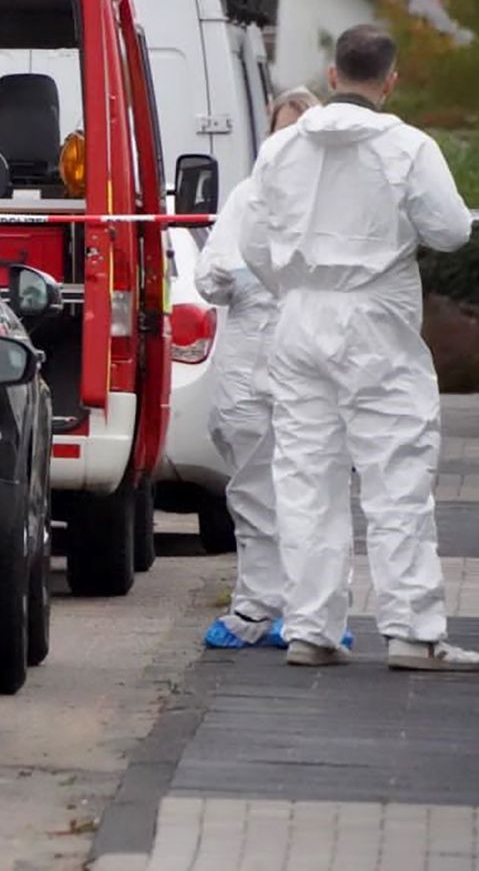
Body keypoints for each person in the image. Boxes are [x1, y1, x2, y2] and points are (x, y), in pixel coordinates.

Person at [240, 26, 477, 669]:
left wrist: (293, 287)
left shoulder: (282, 149)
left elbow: (254, 243)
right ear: (390, 80)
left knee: (306, 477)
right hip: (375, 320)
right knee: (396, 473)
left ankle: (312, 629)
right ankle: (411, 631)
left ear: (332, 74)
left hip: (298, 319)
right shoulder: (408, 147)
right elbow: (453, 232)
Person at [194, 86, 320, 649]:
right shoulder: (249, 197)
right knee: (251, 493)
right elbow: (209, 273)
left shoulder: (332, 201)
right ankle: (254, 608)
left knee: (311, 494)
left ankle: (310, 612)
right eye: (282, 130)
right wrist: (240, 276)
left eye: (301, 131)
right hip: (249, 366)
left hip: (310, 364)